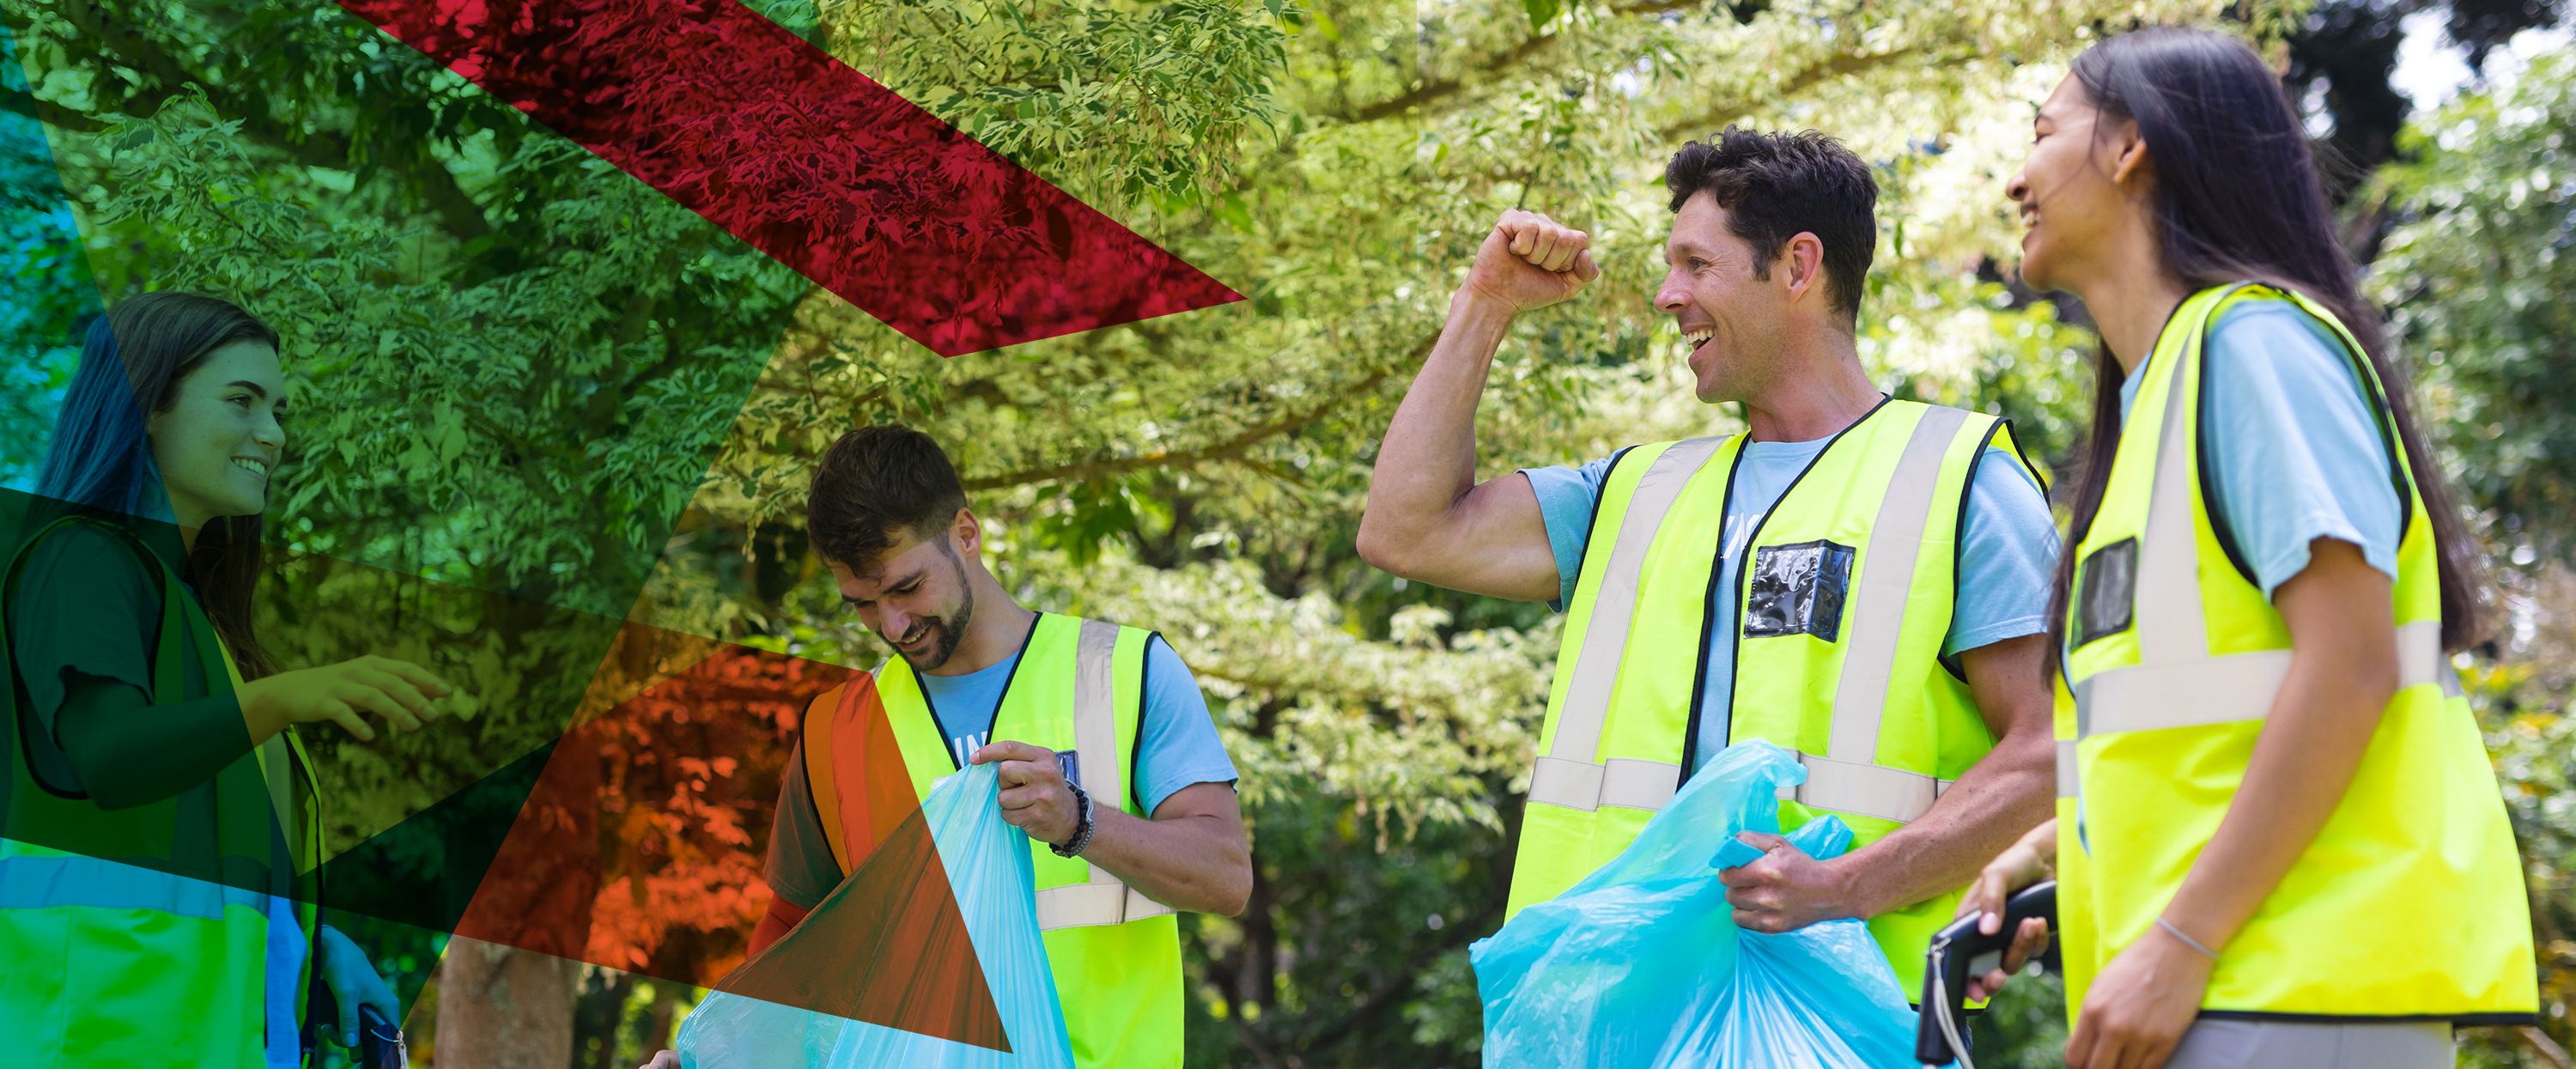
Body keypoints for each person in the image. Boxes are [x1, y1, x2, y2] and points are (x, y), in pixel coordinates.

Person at [1953, 27, 2538, 1069]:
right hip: (2230, 993)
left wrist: (2182, 936)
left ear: (2131, 147)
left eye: (2043, 134)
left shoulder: (2255, 347)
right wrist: (2047, 856)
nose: (2014, 179)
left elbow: (2349, 663)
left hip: (2291, 993)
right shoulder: (2164, 400)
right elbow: (2193, 737)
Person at [1357, 128, 2061, 984]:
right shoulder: (1637, 489)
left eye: (1695, 264)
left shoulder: (1962, 479)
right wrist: (1485, 302)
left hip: (1839, 1019)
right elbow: (1405, 529)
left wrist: (1845, 886)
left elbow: (2047, 750)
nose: (1666, 295)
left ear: (1798, 268)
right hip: (1609, 1015)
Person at [640, 424, 1250, 1069]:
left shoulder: (1126, 672)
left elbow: (1225, 876)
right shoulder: (833, 733)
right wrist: (717, 1061)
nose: (893, 625)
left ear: (966, 533)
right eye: (863, 605)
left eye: (906, 587)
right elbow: (794, 938)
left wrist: (1080, 820)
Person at [0, 291, 455, 1067]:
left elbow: (200, 874)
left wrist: (313, 943)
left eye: (278, 409)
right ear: (146, 404)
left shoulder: (200, 622)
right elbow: (108, 757)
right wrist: (282, 697)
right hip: (91, 1042)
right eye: (242, 401)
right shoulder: (79, 560)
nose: (273, 435)